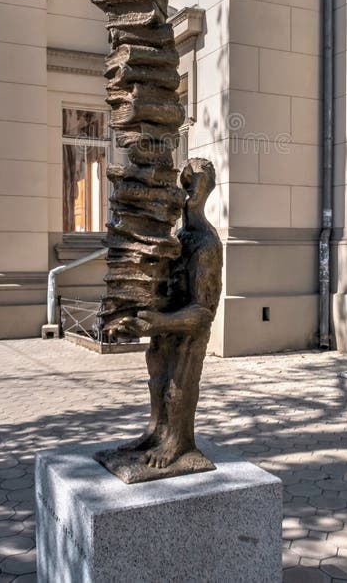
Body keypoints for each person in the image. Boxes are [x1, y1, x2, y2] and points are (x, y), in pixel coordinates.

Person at [109, 158, 222, 470]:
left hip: (188, 335)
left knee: (177, 388)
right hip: (166, 329)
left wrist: (162, 321)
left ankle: (179, 442)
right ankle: (156, 431)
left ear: (208, 188)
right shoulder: (181, 238)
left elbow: (203, 311)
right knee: (157, 381)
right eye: (185, 177)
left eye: (195, 179)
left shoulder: (206, 243)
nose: (186, 184)